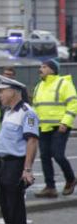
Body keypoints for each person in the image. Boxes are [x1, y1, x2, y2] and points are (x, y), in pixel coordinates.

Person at [0, 74, 40, 224]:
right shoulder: (9, 112)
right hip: (2, 164)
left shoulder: (27, 112)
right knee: (6, 208)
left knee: (15, 209)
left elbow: (32, 141)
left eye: (2, 91)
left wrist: (27, 169)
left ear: (13, 91)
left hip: (15, 164)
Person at [30, 58, 77, 198]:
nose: (40, 69)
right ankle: (50, 187)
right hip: (43, 127)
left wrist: (65, 122)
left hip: (59, 126)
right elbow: (35, 108)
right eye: (40, 67)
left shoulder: (64, 83)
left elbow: (73, 103)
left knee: (57, 154)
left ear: (52, 69)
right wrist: (32, 127)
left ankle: (71, 179)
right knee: (44, 156)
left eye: (44, 67)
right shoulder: (39, 86)